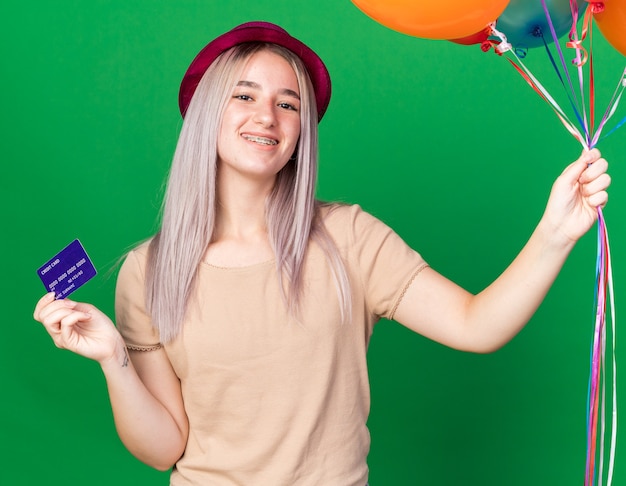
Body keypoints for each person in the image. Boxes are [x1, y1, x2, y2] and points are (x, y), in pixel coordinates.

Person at [33, 21, 610, 486]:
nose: (267, 116)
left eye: (289, 104)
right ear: (207, 112)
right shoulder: (147, 270)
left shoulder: (348, 238)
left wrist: (555, 231)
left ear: (301, 131)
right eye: (244, 95)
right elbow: (165, 450)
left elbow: (476, 324)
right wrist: (115, 359)